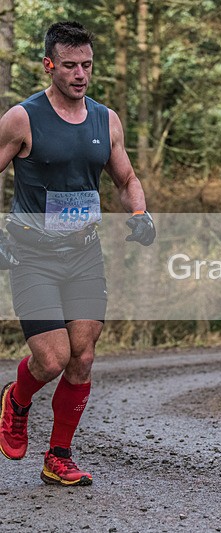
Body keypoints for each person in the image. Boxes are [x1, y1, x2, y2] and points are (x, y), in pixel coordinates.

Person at [0, 21, 156, 486]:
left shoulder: (104, 119)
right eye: (69, 65)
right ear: (49, 65)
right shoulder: (21, 119)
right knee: (51, 359)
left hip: (84, 253)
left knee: (82, 357)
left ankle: (58, 457)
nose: (80, 74)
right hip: (32, 255)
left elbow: (127, 178)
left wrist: (141, 213)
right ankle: (17, 399)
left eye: (86, 65)